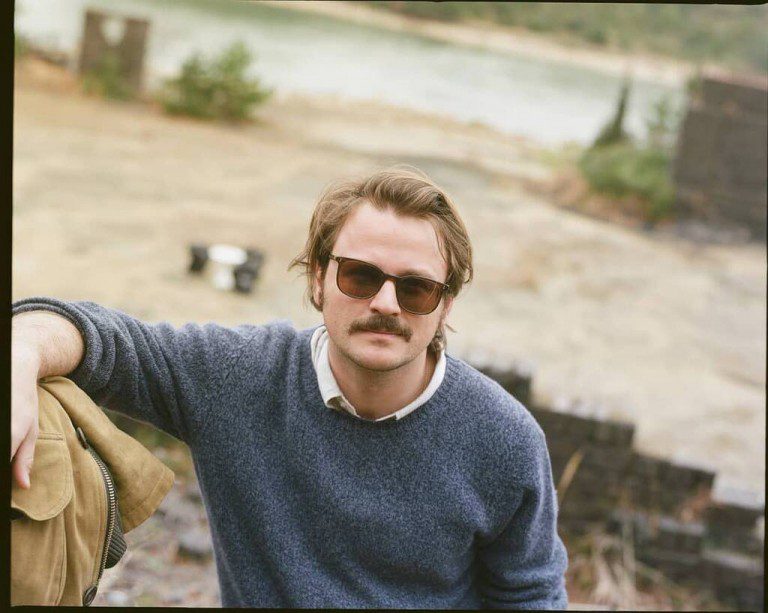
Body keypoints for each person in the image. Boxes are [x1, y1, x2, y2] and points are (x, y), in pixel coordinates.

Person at [12, 167, 569, 608]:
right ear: (318, 278)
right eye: (360, 275)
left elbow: (531, 596)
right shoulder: (236, 378)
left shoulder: (505, 438)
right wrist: (19, 356)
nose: (385, 303)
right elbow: (99, 337)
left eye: (416, 289)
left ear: (445, 305)